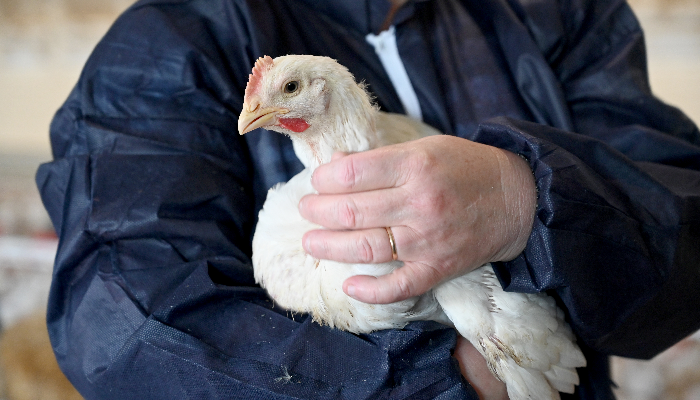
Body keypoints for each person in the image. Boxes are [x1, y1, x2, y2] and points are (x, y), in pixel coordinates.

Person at [36, 0, 700, 399]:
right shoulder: (170, 45)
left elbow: (685, 224)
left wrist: (524, 195)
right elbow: (127, 319)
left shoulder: (556, 10)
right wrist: (451, 381)